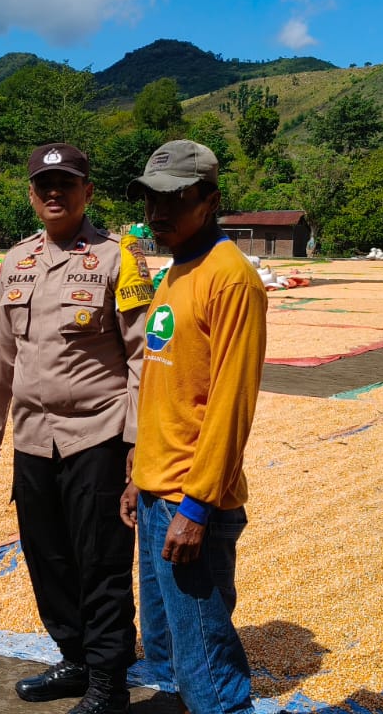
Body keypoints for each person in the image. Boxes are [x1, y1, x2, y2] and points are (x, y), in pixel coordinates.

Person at [0, 143, 149, 714]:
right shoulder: (16, 261)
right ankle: (75, 659)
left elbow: (143, 356)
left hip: (98, 434)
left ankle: (108, 684)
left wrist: (139, 441)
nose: (54, 193)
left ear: (87, 192)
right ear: (31, 194)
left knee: (102, 563)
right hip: (33, 438)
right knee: (48, 559)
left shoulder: (120, 259)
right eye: (44, 185)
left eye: (66, 184)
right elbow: (0, 350)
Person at [119, 140, 267, 714]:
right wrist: (138, 471)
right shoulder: (177, 270)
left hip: (190, 500)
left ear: (210, 201)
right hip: (157, 492)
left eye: (174, 199)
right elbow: (168, 383)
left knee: (207, 665)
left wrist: (198, 506)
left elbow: (231, 404)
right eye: (150, 200)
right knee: (170, 650)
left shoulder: (230, 279)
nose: (158, 212)